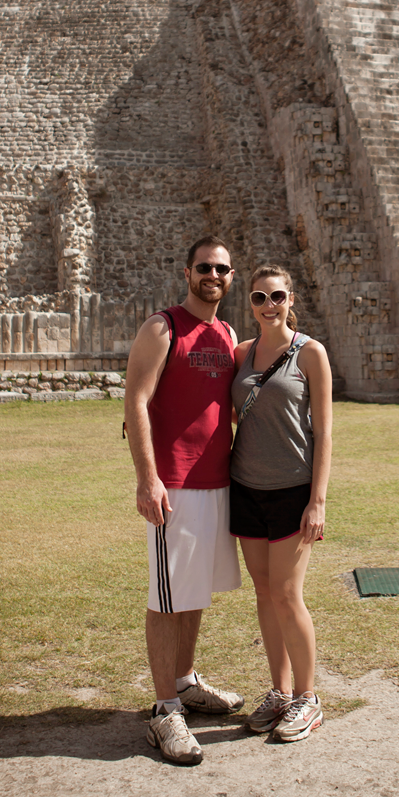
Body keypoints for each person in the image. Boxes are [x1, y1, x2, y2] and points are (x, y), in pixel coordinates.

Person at [124, 236, 244, 766]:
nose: (212, 275)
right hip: (174, 484)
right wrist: (147, 479)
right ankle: (165, 709)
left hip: (218, 481)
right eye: (204, 267)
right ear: (187, 272)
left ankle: (185, 680)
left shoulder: (228, 333)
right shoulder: (162, 327)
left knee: (193, 591)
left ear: (231, 276)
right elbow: (135, 400)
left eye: (221, 268)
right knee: (167, 597)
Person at [229, 263, 333, 743]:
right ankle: (280, 691)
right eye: (259, 297)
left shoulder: (310, 353)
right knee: (265, 594)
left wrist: (318, 501)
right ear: (249, 303)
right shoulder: (241, 353)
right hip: (246, 487)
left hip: (292, 488)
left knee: (288, 595)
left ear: (291, 299)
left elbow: (324, 433)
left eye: (276, 296)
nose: (268, 305)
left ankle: (308, 699)